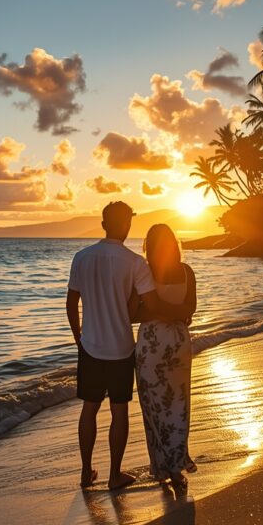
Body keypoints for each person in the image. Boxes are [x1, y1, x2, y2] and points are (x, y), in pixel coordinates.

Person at [66, 202, 194, 490]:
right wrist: (180, 314)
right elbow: (152, 304)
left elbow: (71, 302)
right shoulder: (135, 262)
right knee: (119, 411)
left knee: (89, 409)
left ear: (103, 224)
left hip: (91, 345)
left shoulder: (81, 258)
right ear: (127, 225)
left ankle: (86, 473)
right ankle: (114, 475)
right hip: (122, 347)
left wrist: (78, 339)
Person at [131, 224, 197, 490]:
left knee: (154, 408)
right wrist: (175, 313)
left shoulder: (144, 272)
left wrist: (157, 310)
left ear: (148, 245)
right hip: (179, 341)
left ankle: (162, 468)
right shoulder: (186, 271)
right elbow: (189, 309)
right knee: (179, 406)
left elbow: (133, 314)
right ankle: (175, 466)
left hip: (152, 344)